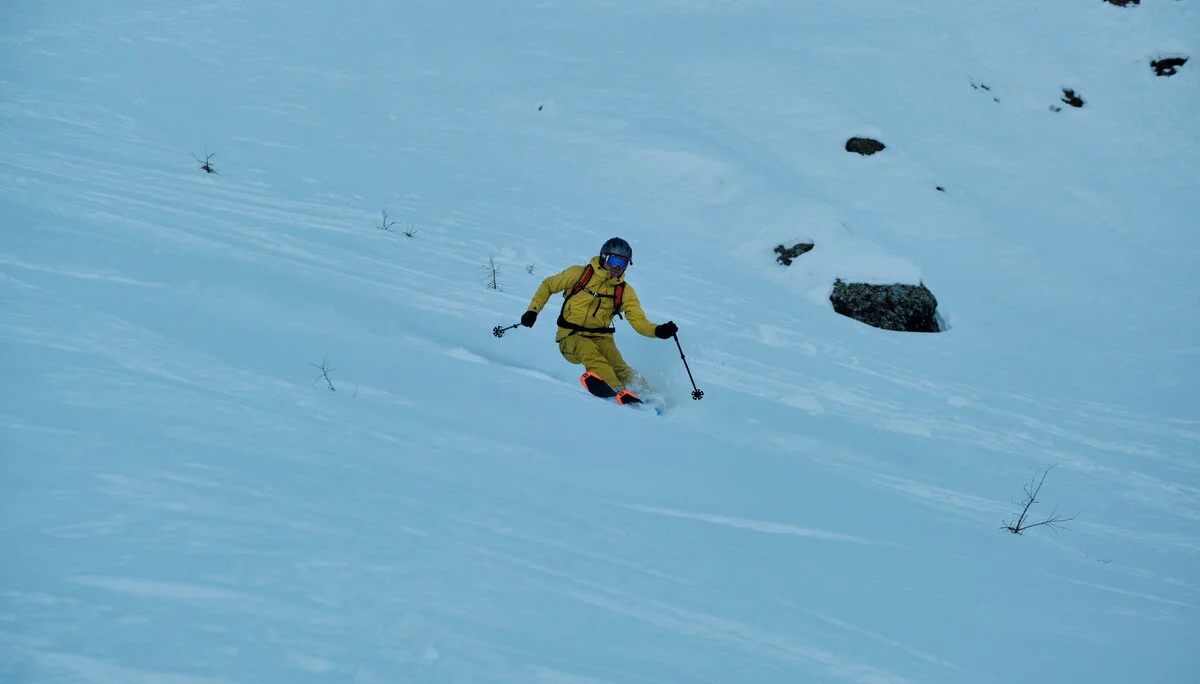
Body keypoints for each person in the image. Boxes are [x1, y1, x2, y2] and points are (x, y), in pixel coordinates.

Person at [520, 237, 678, 405]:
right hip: (570, 336)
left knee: (619, 366)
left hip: (602, 338)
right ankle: (618, 391)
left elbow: (639, 321)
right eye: (614, 260)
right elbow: (548, 285)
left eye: (623, 263)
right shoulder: (579, 274)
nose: (617, 268)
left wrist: (657, 330)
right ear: (603, 257)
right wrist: (533, 311)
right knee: (590, 353)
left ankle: (648, 396)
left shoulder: (624, 291)